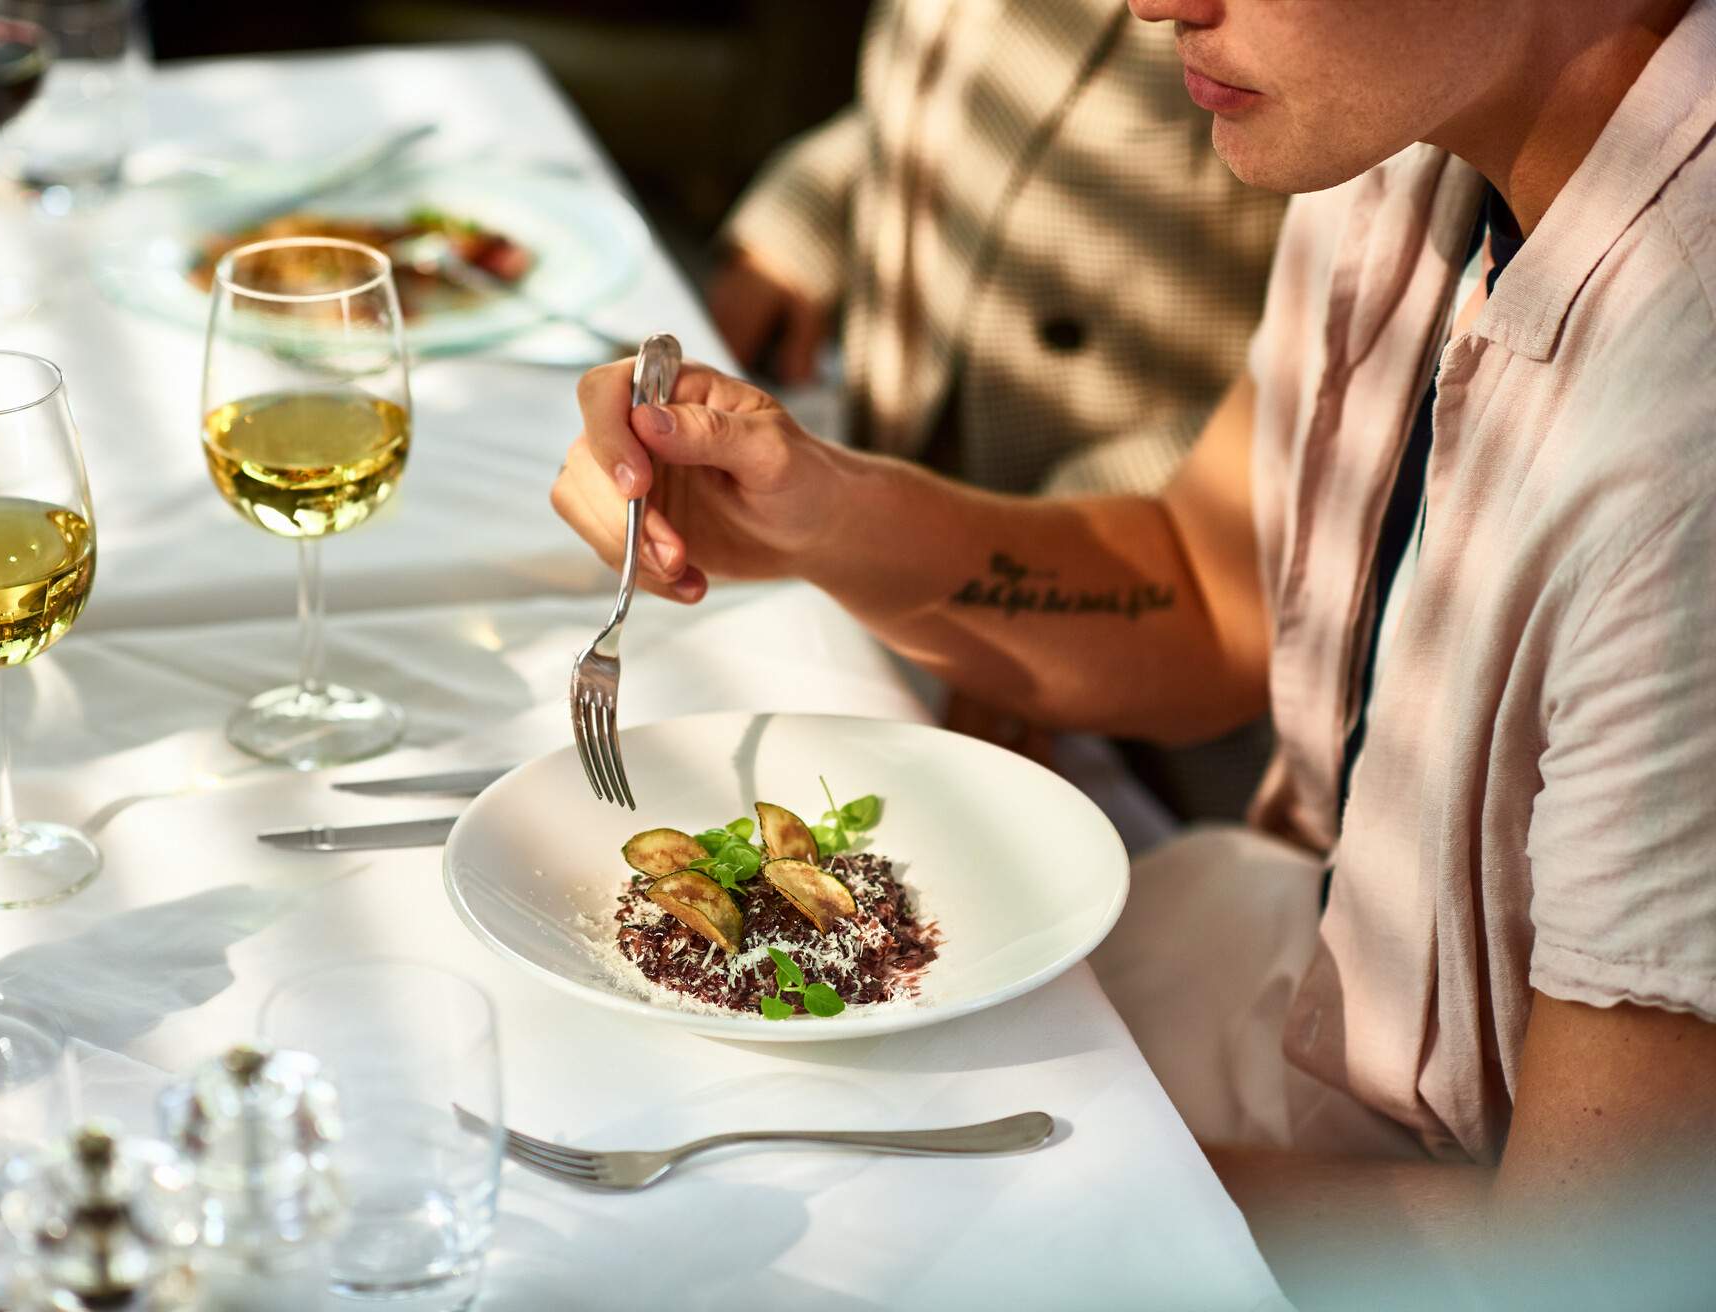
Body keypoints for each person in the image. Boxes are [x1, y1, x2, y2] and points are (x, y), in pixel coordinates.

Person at [553, 0, 1716, 1303]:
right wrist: (821, 511)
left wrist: (936, 1188)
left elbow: (1590, 1268)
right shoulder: (1415, 130)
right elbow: (1212, 589)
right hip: (1284, 1003)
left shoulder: (1687, 454)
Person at [708, 0, 1285, 499]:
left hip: (1107, 531)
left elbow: (1329, 347)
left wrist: (1094, 528)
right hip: (894, 444)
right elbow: (954, 94)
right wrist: (796, 225)